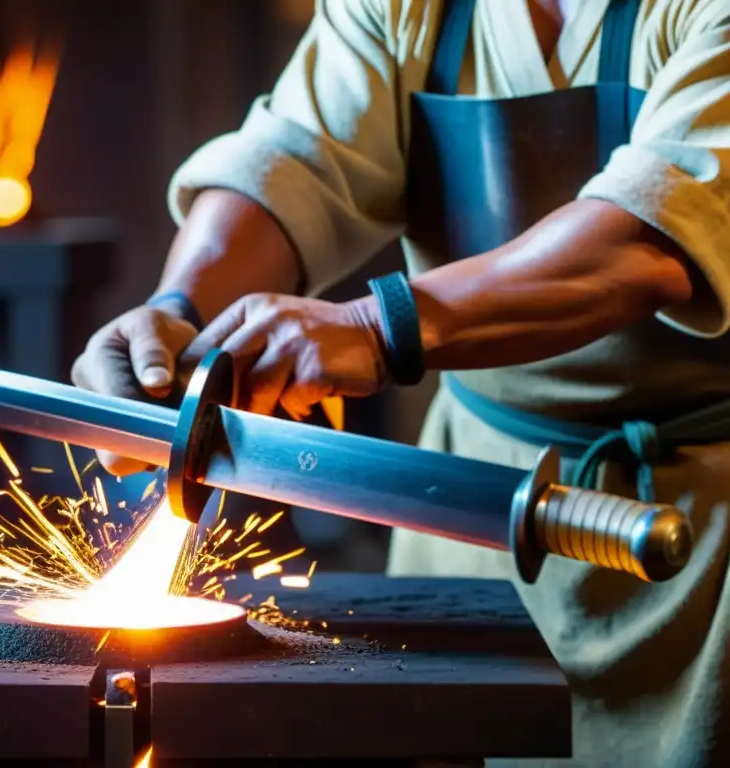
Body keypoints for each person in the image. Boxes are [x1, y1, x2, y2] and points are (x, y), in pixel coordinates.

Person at [73, 0, 730, 765]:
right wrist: (180, 311)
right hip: (471, 506)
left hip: (703, 533)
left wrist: (376, 327)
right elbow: (295, 164)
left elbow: (651, 235)